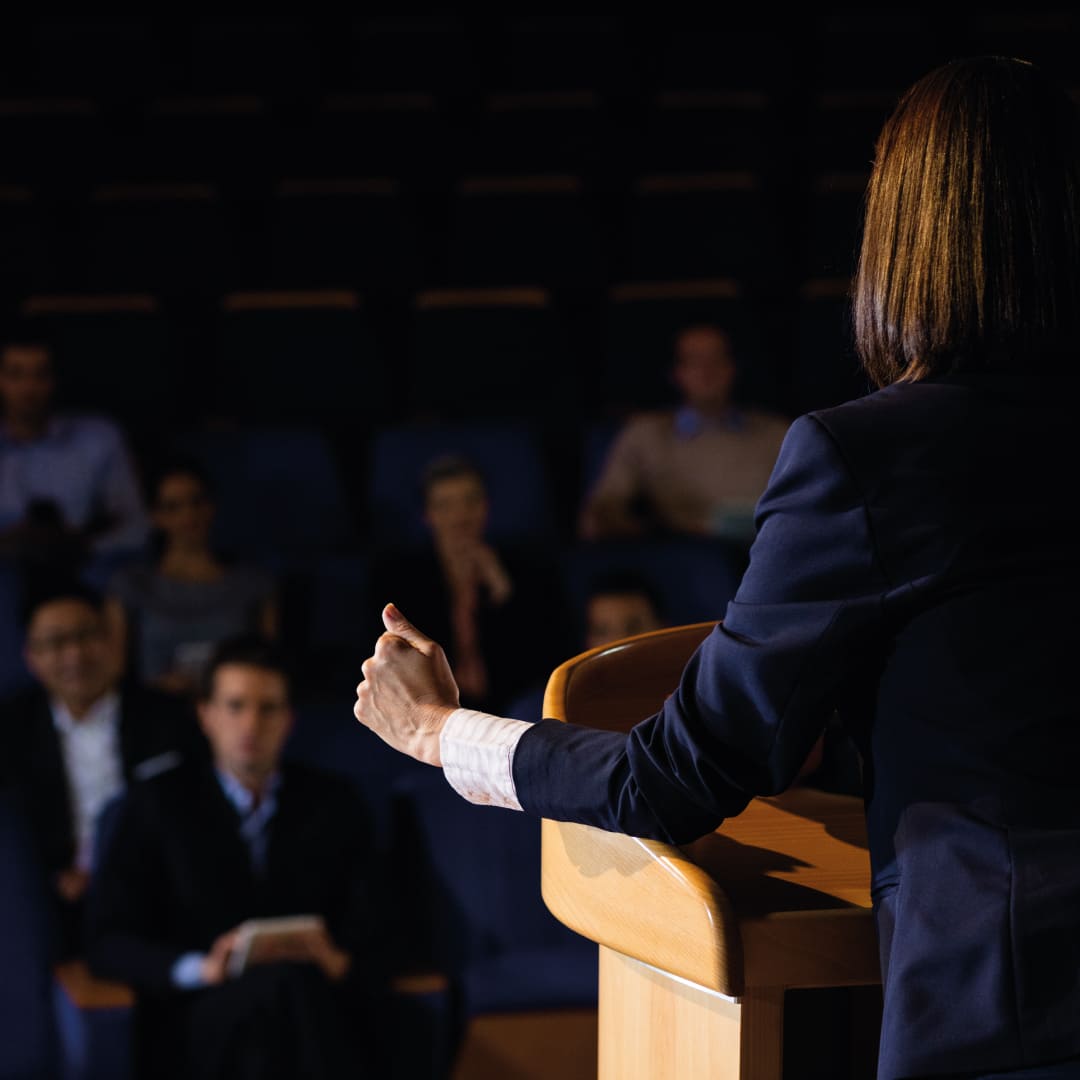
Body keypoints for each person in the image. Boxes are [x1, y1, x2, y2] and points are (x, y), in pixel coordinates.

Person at [354, 57, 1080, 1079]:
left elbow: (675, 777)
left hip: (1011, 1010)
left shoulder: (874, 456)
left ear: (911, 238)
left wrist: (439, 733)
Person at [86, 635, 386, 1080]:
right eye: (235, 706)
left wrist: (338, 959)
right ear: (205, 715)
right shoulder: (154, 804)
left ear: (289, 720)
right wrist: (201, 968)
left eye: (267, 709)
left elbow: (380, 919)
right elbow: (105, 940)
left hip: (312, 1002)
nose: (250, 725)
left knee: (296, 992)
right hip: (200, 1013)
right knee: (283, 999)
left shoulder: (334, 803)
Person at [0, 580, 203, 955]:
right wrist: (53, 879)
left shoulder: (169, 718)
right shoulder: (10, 730)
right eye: (56, 643)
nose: (75, 655)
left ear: (113, 640)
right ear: (31, 657)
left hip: (157, 898)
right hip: (55, 904)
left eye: (86, 636)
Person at [369, 454, 571, 714]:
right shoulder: (401, 579)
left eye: (470, 501)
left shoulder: (528, 572)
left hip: (509, 707)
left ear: (485, 506)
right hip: (430, 708)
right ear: (428, 514)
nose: (460, 516)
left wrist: (503, 593)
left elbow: (542, 658)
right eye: (445, 505)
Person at [579, 324, 790, 545]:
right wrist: (648, 533)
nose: (707, 371)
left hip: (770, 549)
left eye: (716, 359)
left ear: (733, 367)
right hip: (685, 555)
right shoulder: (645, 434)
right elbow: (600, 513)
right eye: (694, 361)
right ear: (677, 373)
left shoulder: (777, 432)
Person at [105, 457, 279, 696]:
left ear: (211, 506)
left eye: (196, 502)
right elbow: (114, 671)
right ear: (155, 516)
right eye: (173, 506)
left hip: (236, 713)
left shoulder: (253, 581)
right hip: (156, 712)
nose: (188, 515)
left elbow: (269, 665)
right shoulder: (130, 583)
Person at [0, 338, 149, 568]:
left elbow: (135, 526)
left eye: (40, 375)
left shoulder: (98, 437)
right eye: (15, 375)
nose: (28, 388)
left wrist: (81, 544)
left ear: (55, 380)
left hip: (83, 571)